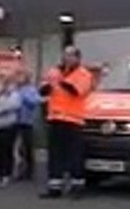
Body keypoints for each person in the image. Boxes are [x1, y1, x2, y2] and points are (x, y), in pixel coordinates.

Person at [39, 46, 94, 199]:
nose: (67, 58)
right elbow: (42, 91)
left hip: (73, 120)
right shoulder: (54, 72)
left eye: (71, 56)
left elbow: (76, 91)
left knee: (74, 155)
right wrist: (48, 85)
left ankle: (77, 186)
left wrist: (60, 80)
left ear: (78, 58)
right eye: (65, 55)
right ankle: (54, 186)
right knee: (55, 154)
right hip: (55, 118)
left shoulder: (84, 74)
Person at [14, 69, 42, 181]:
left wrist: (23, 97)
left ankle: (29, 170)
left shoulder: (30, 90)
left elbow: (35, 101)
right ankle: (19, 170)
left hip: (27, 122)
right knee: (17, 148)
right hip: (14, 121)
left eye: (22, 76)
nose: (19, 79)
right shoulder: (15, 89)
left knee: (27, 147)